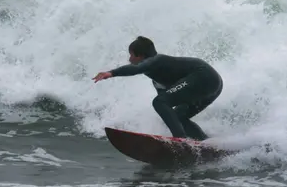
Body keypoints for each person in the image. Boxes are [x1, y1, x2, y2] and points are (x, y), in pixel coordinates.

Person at [92, 36, 223, 141]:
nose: (129, 59)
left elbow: (137, 69)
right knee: (178, 116)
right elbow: (168, 103)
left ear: (142, 56)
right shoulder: (156, 77)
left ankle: (180, 140)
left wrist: (111, 73)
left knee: (159, 101)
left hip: (202, 76)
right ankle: (204, 143)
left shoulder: (156, 60)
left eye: (132, 55)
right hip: (214, 86)